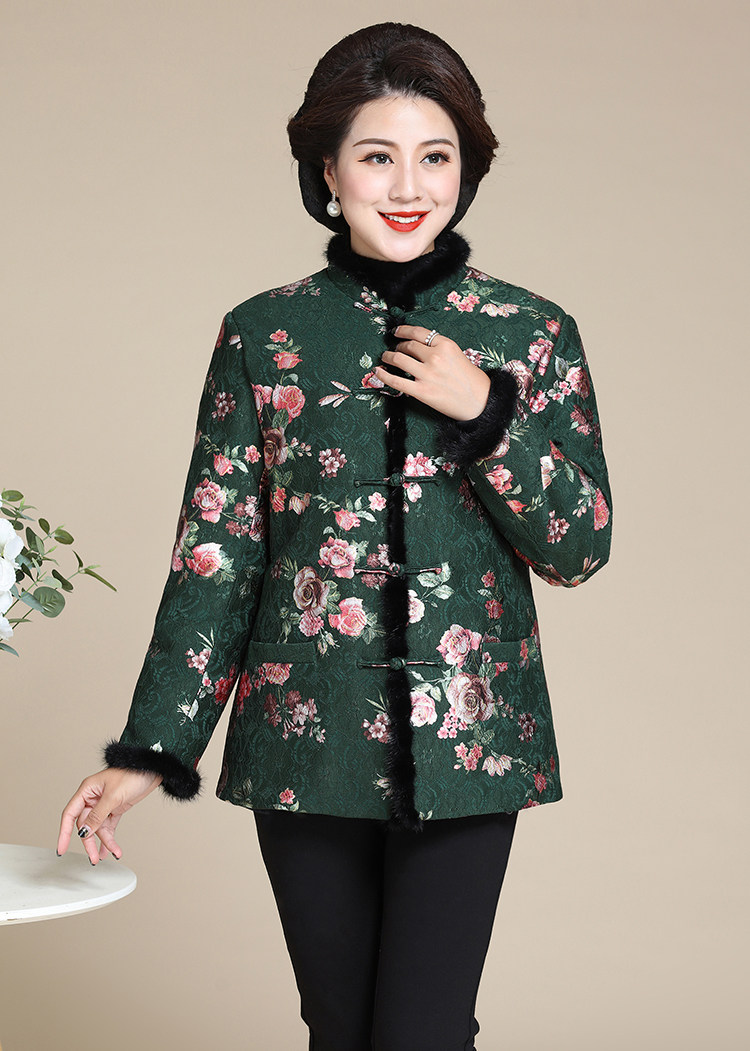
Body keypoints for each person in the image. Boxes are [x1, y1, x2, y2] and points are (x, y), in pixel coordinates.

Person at [58, 22, 612, 1051]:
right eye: (377, 155)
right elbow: (216, 555)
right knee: (340, 1029)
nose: (408, 186)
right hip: (304, 736)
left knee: (421, 1032)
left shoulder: (530, 331)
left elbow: (579, 545)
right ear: (327, 171)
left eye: (435, 156)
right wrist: (154, 749)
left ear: (467, 170)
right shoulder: (264, 334)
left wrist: (486, 410)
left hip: (470, 734)